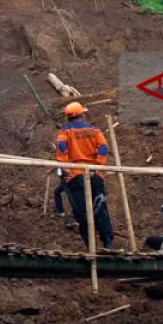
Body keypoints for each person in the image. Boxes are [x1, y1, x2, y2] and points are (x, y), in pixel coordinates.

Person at [54, 102, 116, 249]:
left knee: (81, 211)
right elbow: (103, 148)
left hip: (75, 176)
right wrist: (98, 165)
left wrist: (65, 167)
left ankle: (90, 245)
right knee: (100, 207)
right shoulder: (94, 131)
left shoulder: (64, 132)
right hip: (94, 175)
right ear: (82, 114)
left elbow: (61, 149)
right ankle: (107, 242)